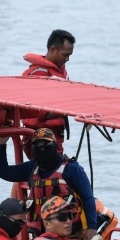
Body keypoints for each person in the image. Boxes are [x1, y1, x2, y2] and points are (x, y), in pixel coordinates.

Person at [0, 128, 97, 240]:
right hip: (40, 236)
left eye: (46, 145)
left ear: (54, 145)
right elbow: (3, 172)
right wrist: (1, 145)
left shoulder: (72, 169)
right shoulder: (31, 168)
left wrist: (92, 228)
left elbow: (88, 198)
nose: (42, 149)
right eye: (37, 146)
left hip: (70, 234)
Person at [20, 29, 76, 159]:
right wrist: (70, 110)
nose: (67, 59)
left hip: (55, 136)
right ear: (53, 49)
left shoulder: (61, 72)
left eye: (69, 55)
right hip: (40, 138)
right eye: (65, 55)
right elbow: (37, 112)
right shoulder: (38, 73)